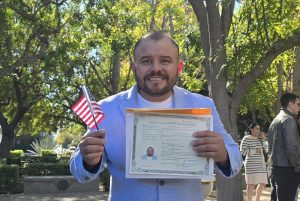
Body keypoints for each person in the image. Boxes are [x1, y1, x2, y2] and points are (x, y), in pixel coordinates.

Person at [70, 31, 243, 201]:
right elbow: (79, 172)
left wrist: (223, 154)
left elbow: (235, 160)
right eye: (146, 61)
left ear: (179, 67)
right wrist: (87, 161)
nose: (156, 68)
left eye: (165, 61)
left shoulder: (203, 105)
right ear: (134, 67)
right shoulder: (106, 109)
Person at [268, 93, 300, 201]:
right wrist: (298, 167)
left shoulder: (275, 120)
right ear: (290, 104)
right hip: (287, 170)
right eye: (297, 104)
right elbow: (292, 148)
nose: (299, 107)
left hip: (276, 169)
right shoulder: (289, 120)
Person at [240, 123, 268, 201]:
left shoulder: (260, 139)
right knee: (250, 184)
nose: (258, 131)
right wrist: (254, 151)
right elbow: (242, 152)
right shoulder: (246, 138)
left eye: (259, 129)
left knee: (263, 183)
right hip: (251, 165)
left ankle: (257, 199)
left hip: (261, 164)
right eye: (256, 129)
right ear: (251, 129)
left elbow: (264, 149)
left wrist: (263, 139)